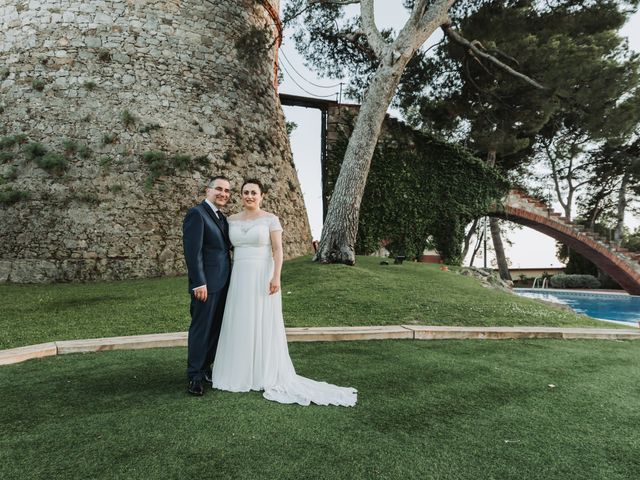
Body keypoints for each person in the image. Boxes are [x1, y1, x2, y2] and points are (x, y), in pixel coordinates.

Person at [211, 179, 357, 407]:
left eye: (254, 192)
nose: (249, 196)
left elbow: (278, 250)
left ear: (262, 196)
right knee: (240, 321)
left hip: (263, 275)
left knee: (263, 322)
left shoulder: (270, 219)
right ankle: (239, 372)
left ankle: (263, 372)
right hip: (239, 276)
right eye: (245, 192)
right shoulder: (230, 221)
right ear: (241, 196)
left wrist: (276, 276)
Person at [182, 176, 232, 396]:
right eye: (219, 189)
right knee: (201, 329)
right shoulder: (197, 214)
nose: (223, 193)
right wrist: (198, 282)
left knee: (215, 329)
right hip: (206, 285)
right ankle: (194, 376)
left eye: (227, 191)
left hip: (224, 283)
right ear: (208, 190)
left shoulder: (222, 217)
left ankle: (206, 369)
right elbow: (193, 253)